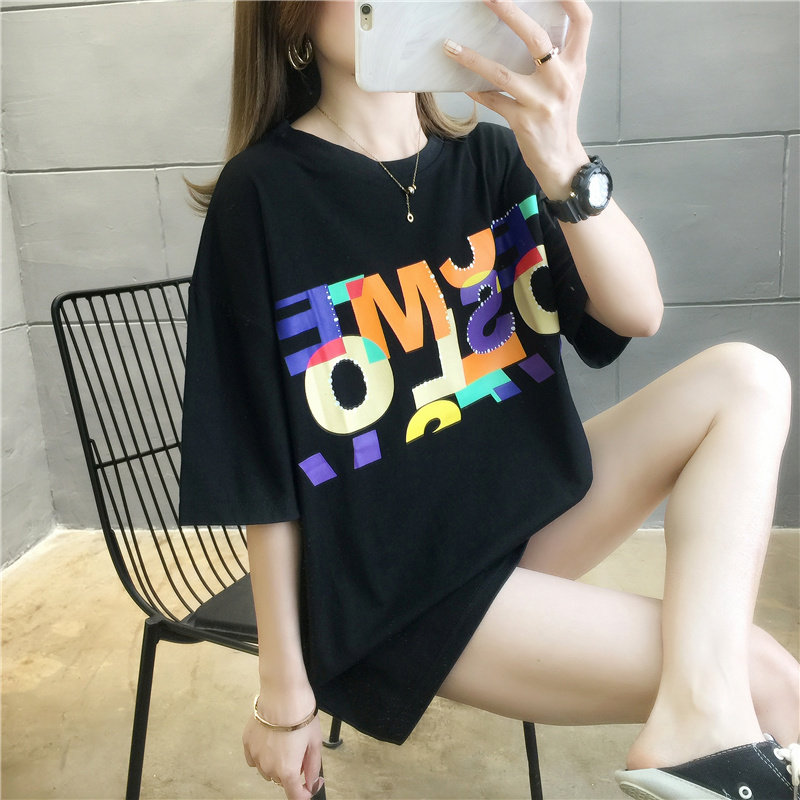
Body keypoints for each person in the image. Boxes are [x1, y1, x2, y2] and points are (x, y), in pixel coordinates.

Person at [177, 1, 800, 798]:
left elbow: (637, 313)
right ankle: (704, 719)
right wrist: (283, 690)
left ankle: (699, 720)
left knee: (748, 378)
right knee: (767, 678)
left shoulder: (496, 159)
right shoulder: (262, 195)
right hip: (396, 592)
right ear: (291, 20)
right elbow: (261, 467)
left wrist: (563, 157)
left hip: (521, 519)